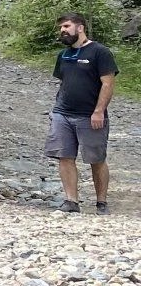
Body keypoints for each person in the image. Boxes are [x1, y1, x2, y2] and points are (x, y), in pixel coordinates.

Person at [48, 12, 117, 214]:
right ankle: (71, 201)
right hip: (62, 113)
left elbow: (108, 84)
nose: (62, 30)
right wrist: (56, 109)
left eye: (66, 26)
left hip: (90, 115)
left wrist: (99, 111)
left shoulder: (100, 52)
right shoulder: (63, 55)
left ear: (80, 28)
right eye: (61, 27)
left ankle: (101, 202)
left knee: (96, 159)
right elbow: (64, 82)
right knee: (64, 156)